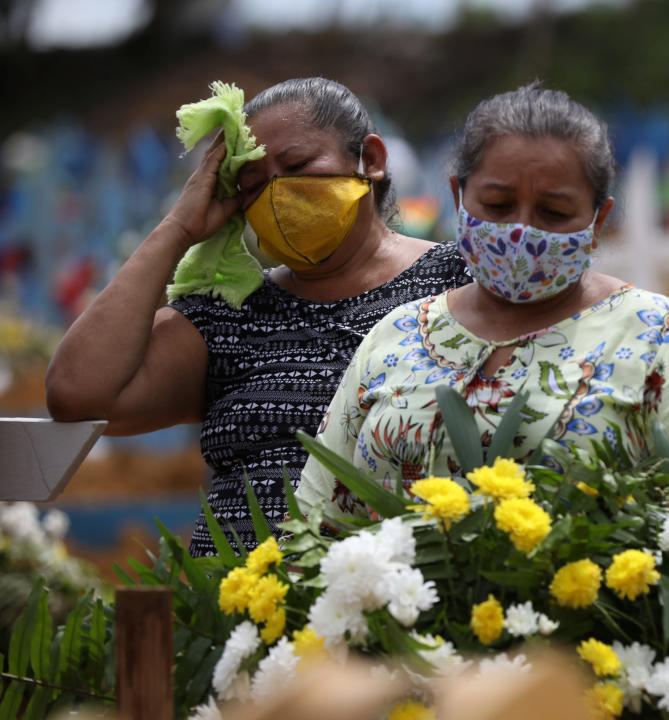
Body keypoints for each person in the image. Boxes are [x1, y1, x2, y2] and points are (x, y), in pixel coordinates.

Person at [296, 83, 669, 522]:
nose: (521, 230)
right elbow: (317, 519)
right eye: (498, 206)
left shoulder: (656, 336)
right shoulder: (397, 336)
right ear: (458, 197)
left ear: (598, 219)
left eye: (554, 212)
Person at [45, 78, 472, 555]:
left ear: (370, 160)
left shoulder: (459, 281)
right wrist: (178, 228)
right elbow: (76, 394)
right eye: (252, 186)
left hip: (400, 600)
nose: (276, 193)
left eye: (297, 166)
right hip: (235, 609)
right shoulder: (229, 316)